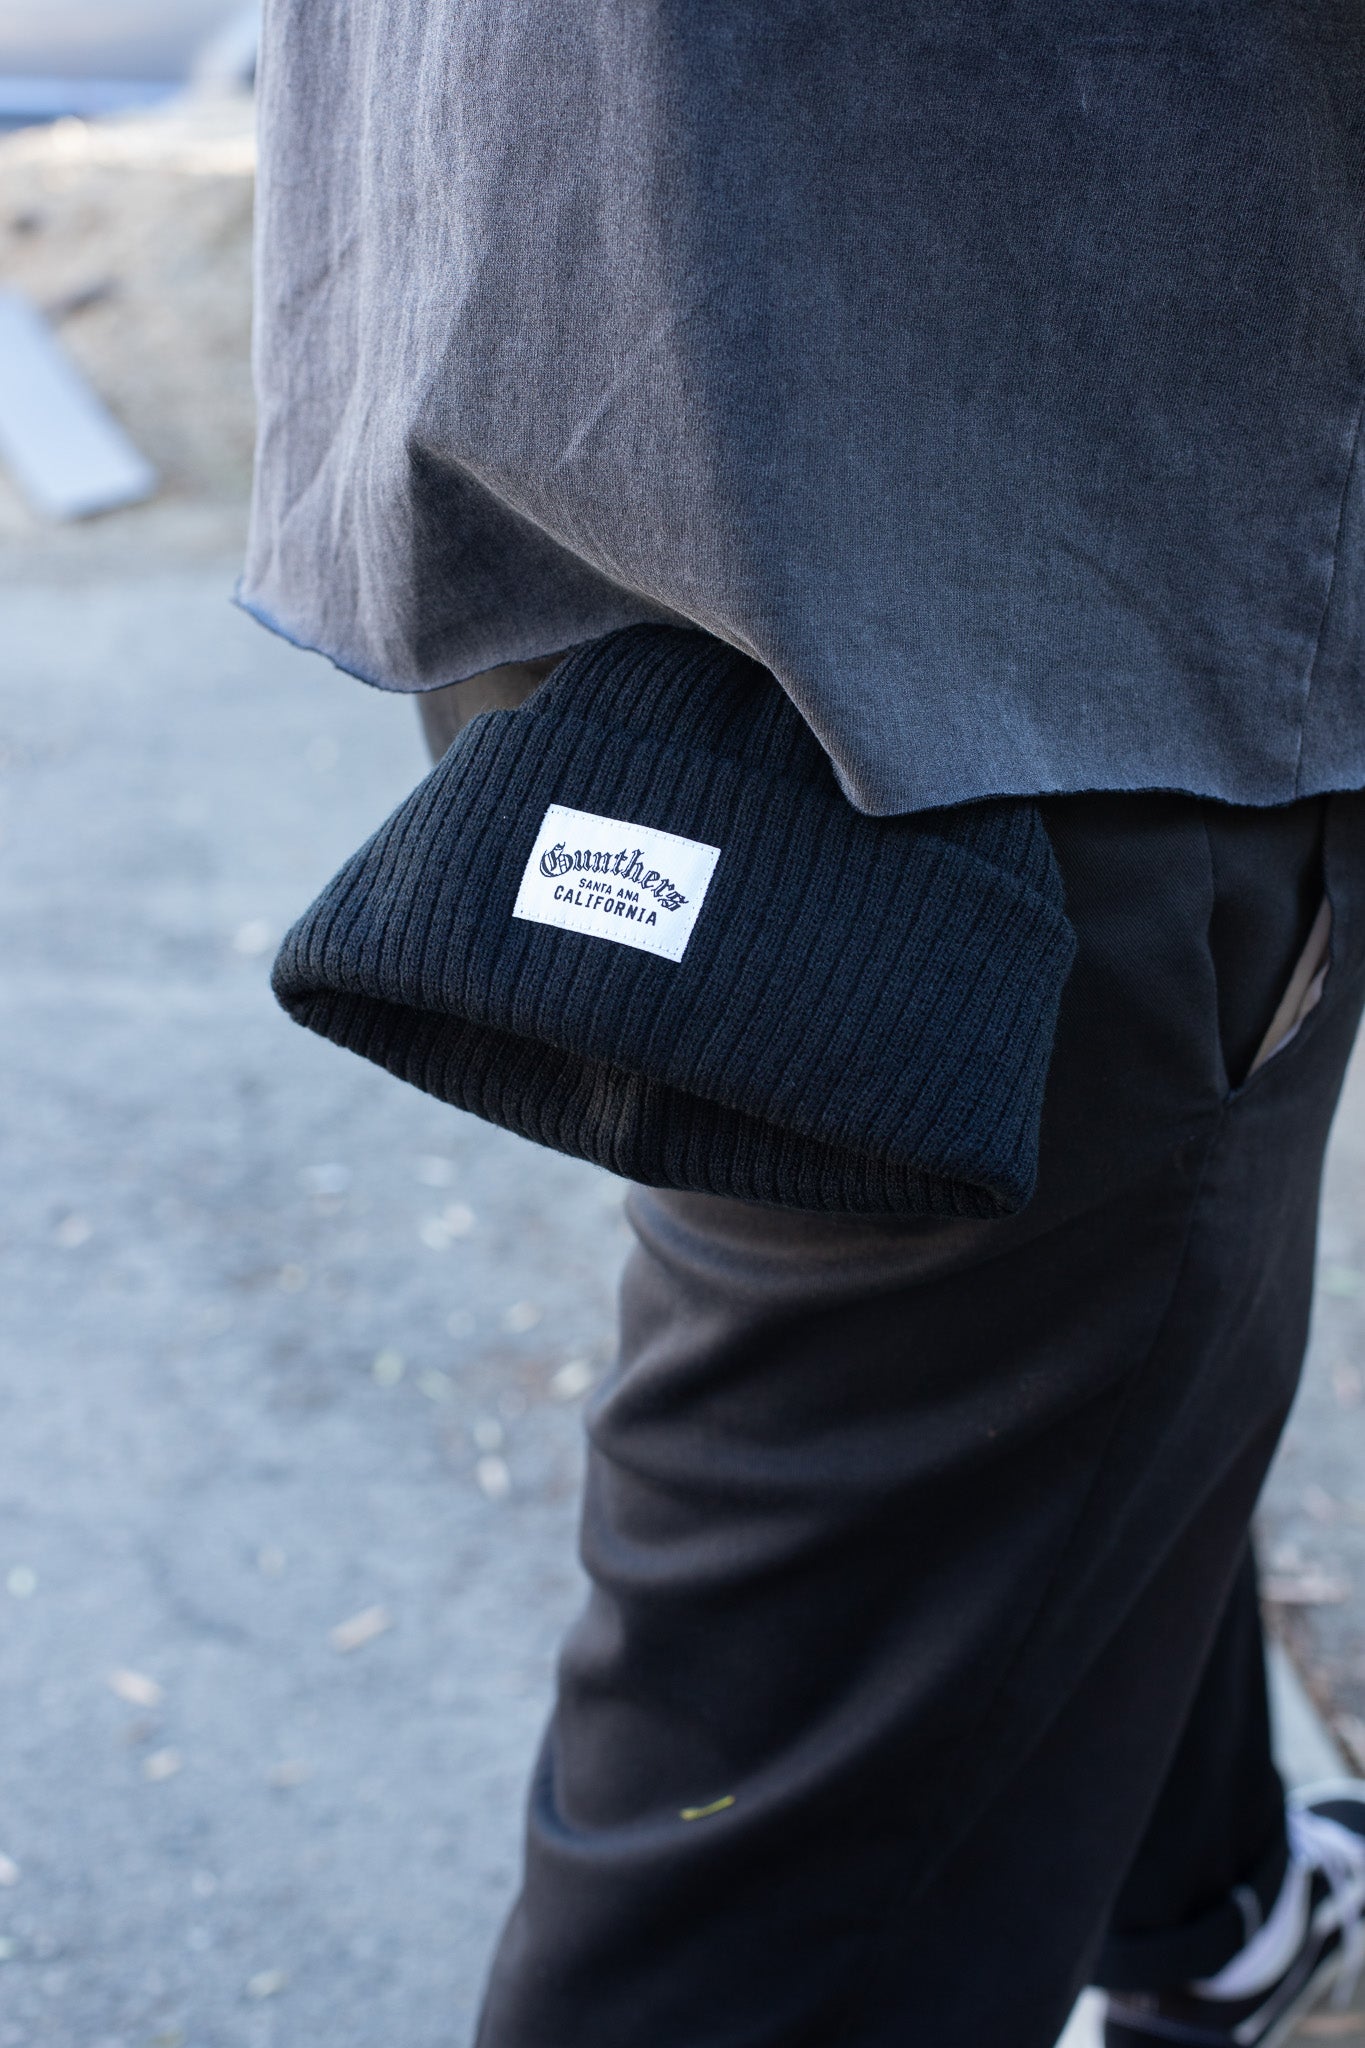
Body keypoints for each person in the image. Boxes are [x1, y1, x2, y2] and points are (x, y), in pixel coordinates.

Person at [239, 4, 1365, 2041]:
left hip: (569, 351)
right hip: (1026, 522)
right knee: (793, 1764)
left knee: (1067, 1308)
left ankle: (1202, 1913)